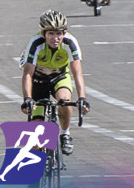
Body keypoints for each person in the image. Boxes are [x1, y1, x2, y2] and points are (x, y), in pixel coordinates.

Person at [19, 10, 89, 156]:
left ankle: (65, 134)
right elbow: (27, 74)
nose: (55, 38)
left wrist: (82, 98)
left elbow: (77, 73)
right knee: (35, 141)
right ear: (44, 34)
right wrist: (27, 99)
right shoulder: (36, 43)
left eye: (59, 33)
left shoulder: (70, 43)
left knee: (64, 101)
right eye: (51, 33)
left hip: (59, 76)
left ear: (64, 33)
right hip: (38, 79)